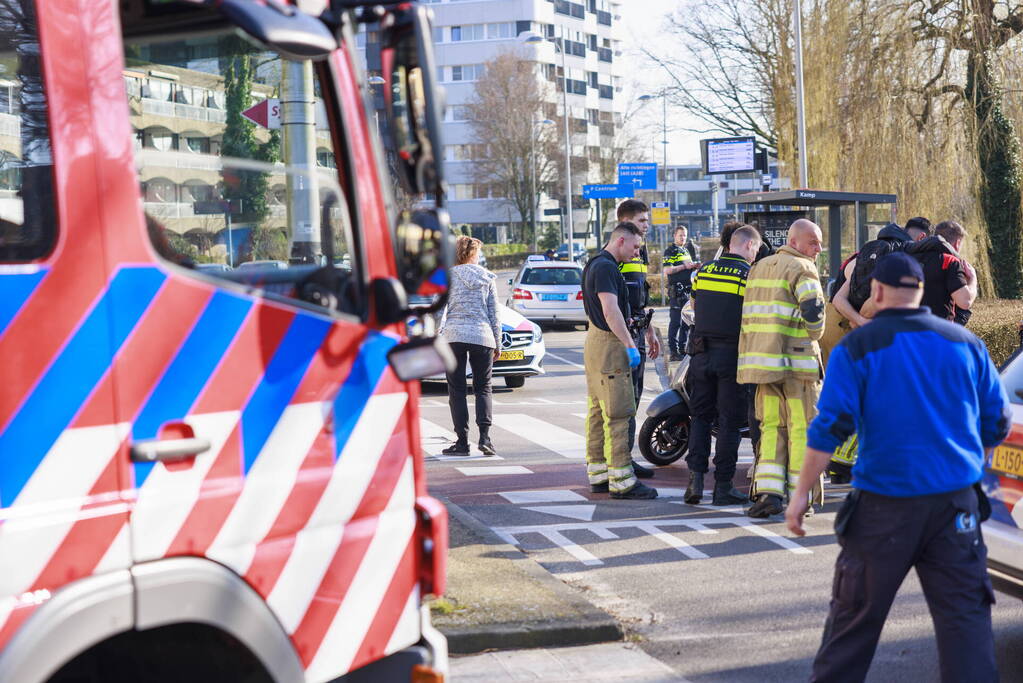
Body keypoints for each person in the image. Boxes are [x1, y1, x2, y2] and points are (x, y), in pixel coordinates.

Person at [786, 252, 1010, 683]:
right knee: (966, 629)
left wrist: (800, 497)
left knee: (851, 631)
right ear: (921, 292)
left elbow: (829, 427)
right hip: (955, 509)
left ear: (878, 292)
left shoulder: (859, 346)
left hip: (882, 509)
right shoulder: (966, 344)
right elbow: (997, 422)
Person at [737, 219, 826, 518]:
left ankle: (769, 494)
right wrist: (813, 334)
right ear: (796, 242)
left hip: (765, 366)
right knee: (802, 429)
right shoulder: (804, 268)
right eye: (813, 242)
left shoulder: (759, 267)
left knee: (772, 428)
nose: (819, 248)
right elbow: (814, 316)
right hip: (798, 368)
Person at [684, 226, 762, 506]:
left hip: (701, 355)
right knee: (729, 422)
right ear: (750, 247)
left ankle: (694, 481)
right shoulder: (749, 276)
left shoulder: (703, 271)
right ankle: (723, 486)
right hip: (732, 357)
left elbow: (694, 305)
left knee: (701, 418)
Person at [581, 222, 659, 499]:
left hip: (595, 341)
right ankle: (623, 481)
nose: (637, 253)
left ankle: (600, 474)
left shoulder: (594, 263)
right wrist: (629, 344)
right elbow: (611, 310)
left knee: (597, 411)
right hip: (610, 344)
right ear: (621, 240)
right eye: (636, 246)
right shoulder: (607, 267)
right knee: (618, 413)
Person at [438, 236, 501, 456]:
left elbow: (439, 311)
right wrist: (498, 342)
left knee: (457, 390)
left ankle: (462, 441)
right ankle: (485, 438)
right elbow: (494, 313)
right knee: (483, 387)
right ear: (474, 254)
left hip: (454, 335)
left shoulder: (448, 277)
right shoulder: (488, 278)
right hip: (482, 336)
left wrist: (436, 336)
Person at [615, 199, 660, 475]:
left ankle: (626, 457)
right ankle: (621, 460)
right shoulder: (615, 255)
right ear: (627, 221)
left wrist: (650, 330)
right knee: (623, 402)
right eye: (642, 221)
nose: (647, 225)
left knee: (634, 398)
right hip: (624, 339)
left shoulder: (639, 253)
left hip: (639, 334)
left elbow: (638, 299)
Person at [905, 219, 977, 323]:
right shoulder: (949, 261)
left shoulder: (908, 258)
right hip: (939, 331)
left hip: (909, 329)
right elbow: (965, 302)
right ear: (957, 243)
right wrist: (973, 278)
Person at [663, 224, 700, 361]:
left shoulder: (685, 250)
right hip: (676, 291)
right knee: (675, 322)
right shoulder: (670, 251)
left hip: (688, 291)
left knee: (686, 322)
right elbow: (668, 270)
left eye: (684, 235)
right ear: (674, 236)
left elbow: (688, 269)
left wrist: (695, 266)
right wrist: (685, 266)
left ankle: (683, 349)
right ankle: (673, 351)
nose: (683, 238)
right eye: (680, 235)